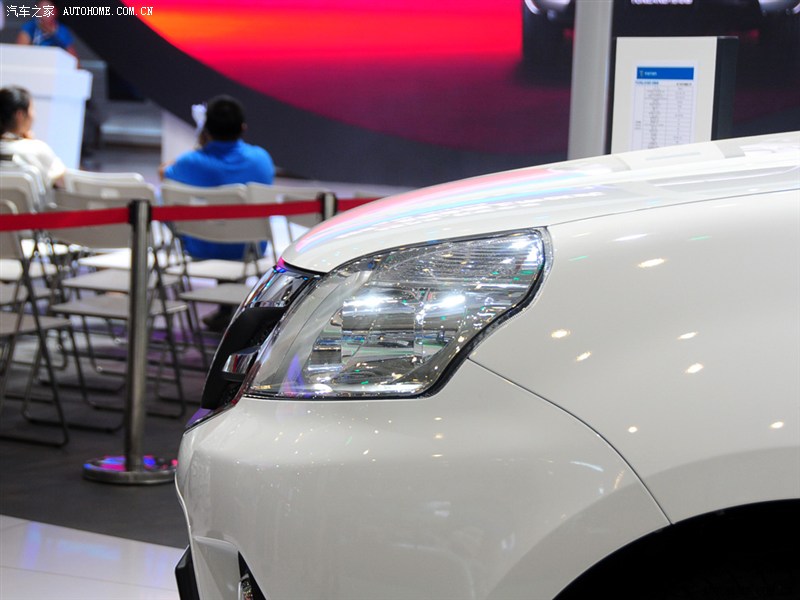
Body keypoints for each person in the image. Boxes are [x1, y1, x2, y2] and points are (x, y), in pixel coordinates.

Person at [160, 94, 276, 330]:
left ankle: (225, 311)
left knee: (167, 202)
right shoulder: (261, 159)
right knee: (235, 227)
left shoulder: (191, 162)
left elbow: (163, 172)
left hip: (201, 244)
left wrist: (200, 145)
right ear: (243, 128)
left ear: (205, 129)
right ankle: (230, 310)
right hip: (248, 247)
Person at [0, 85, 66, 188]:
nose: (34, 115)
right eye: (32, 109)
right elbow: (62, 183)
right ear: (20, 115)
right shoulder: (36, 149)